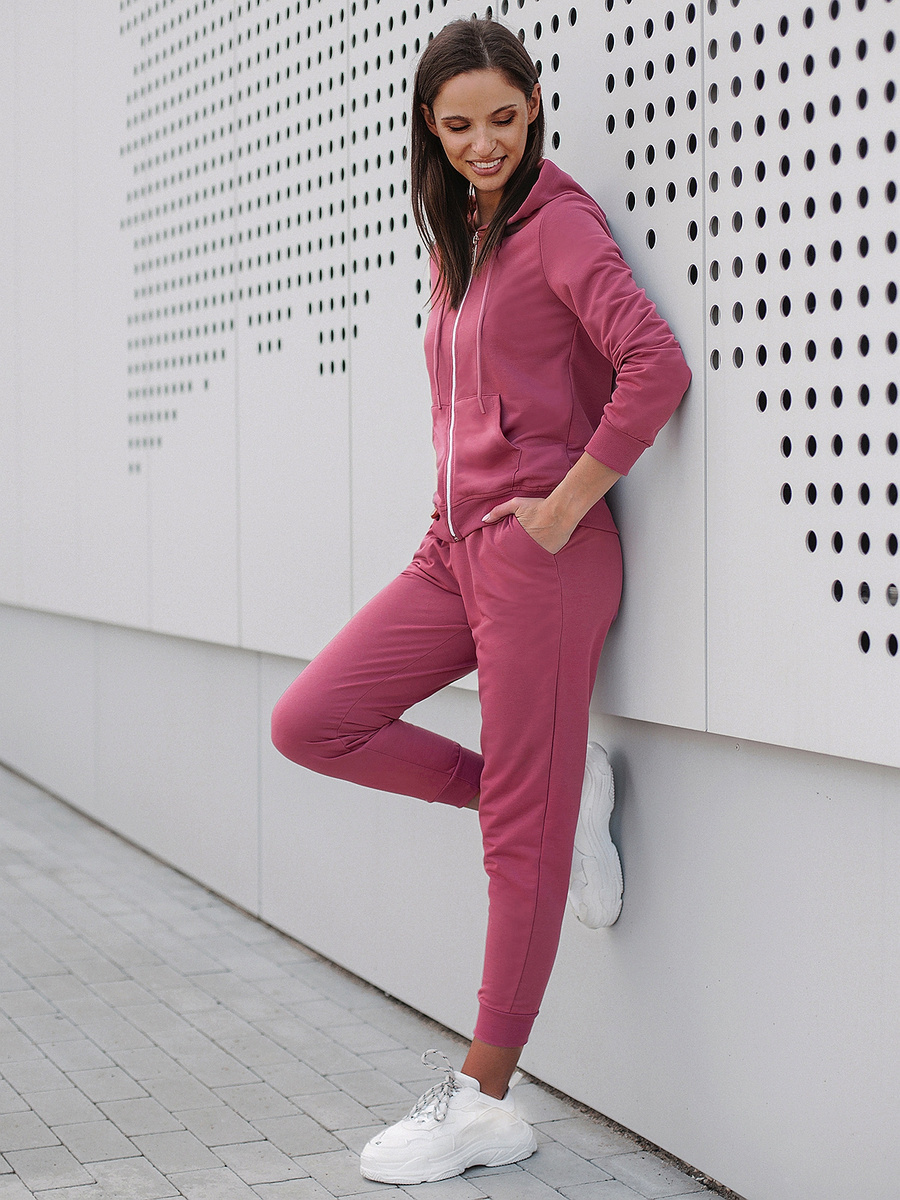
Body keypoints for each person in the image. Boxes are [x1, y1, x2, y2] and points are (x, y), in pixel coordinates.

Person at [271, 15, 691, 1187]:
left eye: (504, 118)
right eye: (459, 126)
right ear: (430, 127)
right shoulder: (462, 230)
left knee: (517, 837)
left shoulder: (559, 226)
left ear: (534, 105)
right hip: (451, 550)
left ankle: (484, 1104)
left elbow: (655, 363)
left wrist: (566, 503)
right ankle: (553, 798)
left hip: (539, 559)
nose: (484, 143)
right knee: (312, 721)